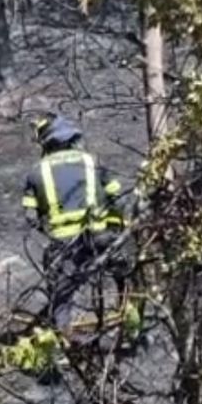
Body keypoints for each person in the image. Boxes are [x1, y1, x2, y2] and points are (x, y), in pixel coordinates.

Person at [21, 113, 136, 331]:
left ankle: (65, 344)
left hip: (63, 245)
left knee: (61, 298)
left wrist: (48, 228)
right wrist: (116, 229)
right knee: (128, 278)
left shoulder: (36, 172)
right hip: (100, 237)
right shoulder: (92, 161)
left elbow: (29, 216)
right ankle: (131, 330)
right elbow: (118, 198)